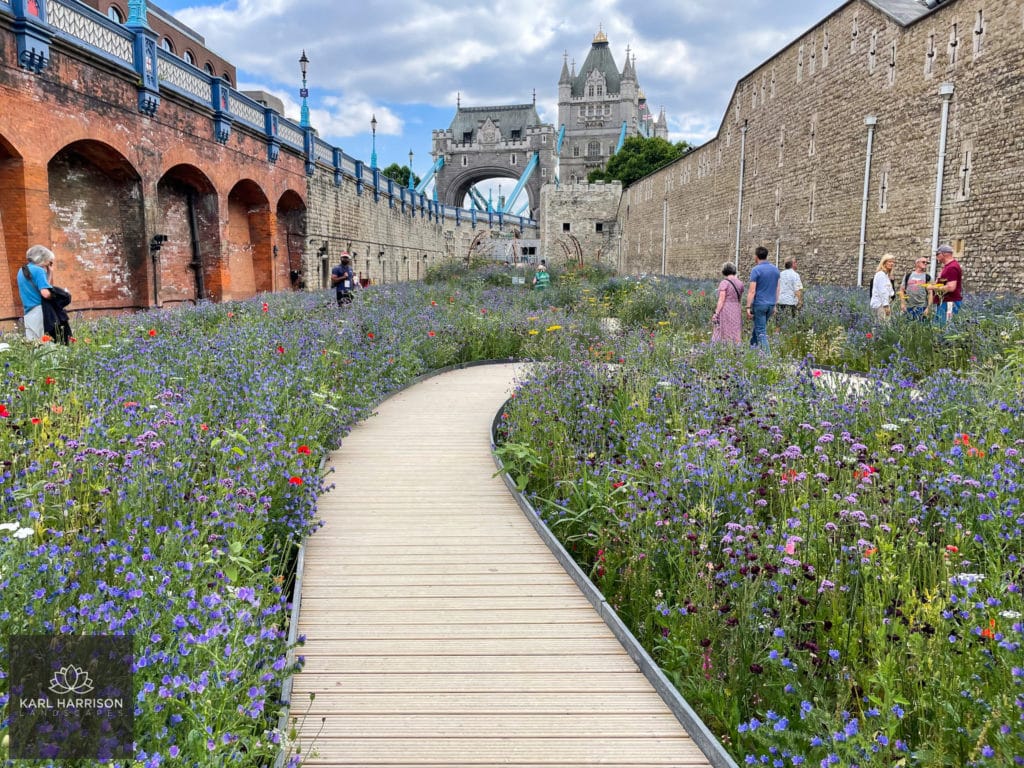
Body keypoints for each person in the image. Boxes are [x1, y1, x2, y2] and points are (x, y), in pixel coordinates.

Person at [16, 245, 55, 341]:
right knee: (45, 343)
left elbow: (41, 286)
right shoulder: (39, 271)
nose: (48, 263)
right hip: (40, 311)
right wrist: (58, 297)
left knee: (33, 344)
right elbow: (45, 293)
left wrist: (49, 273)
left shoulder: (22, 270)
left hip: (28, 312)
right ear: (41, 259)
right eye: (48, 261)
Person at [745, 246, 780, 351]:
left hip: (760, 304)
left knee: (761, 332)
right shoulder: (775, 270)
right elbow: (777, 289)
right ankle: (751, 351)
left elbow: (752, 291)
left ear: (756, 257)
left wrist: (747, 307)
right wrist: (775, 305)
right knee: (758, 328)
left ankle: (768, 359)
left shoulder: (756, 270)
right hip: (770, 304)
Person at [711, 262, 744, 344]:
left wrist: (716, 312)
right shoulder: (740, 283)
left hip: (726, 308)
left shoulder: (724, 282)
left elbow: (721, 299)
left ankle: (724, 346)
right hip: (736, 307)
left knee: (724, 328)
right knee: (735, 328)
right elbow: (740, 298)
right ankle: (736, 345)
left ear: (724, 271)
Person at [932, 244, 963, 327]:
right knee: (940, 327)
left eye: (937, 254)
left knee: (946, 328)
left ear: (944, 254)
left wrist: (932, 287)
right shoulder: (948, 267)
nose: (936, 257)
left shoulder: (951, 267)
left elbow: (951, 287)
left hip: (949, 302)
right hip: (944, 302)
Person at [869, 254, 896, 322]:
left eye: (893, 262)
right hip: (881, 305)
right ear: (884, 263)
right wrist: (886, 306)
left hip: (883, 304)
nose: (892, 264)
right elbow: (883, 291)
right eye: (889, 261)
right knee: (883, 327)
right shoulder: (881, 275)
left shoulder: (885, 275)